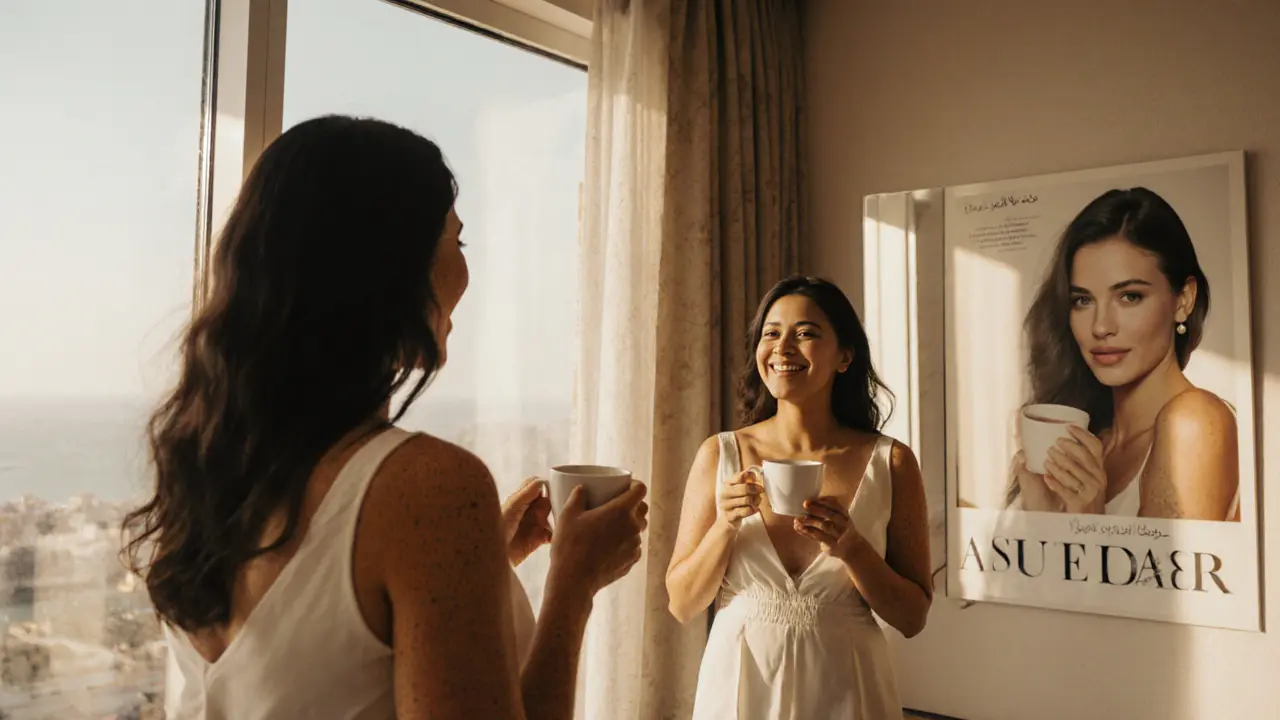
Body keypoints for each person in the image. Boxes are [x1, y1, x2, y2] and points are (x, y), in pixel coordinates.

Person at [122, 115, 649, 720]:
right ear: (391, 272)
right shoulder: (429, 485)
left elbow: (315, 660)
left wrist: (478, 566)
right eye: (457, 242)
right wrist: (572, 586)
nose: (465, 273)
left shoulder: (211, 468)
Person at [666, 276, 932, 719]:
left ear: (844, 355)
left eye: (805, 333)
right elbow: (681, 603)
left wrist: (851, 549)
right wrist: (725, 524)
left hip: (849, 690)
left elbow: (912, 618)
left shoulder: (892, 462)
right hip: (738, 686)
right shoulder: (721, 453)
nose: (783, 347)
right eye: (771, 333)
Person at [1008, 187, 1240, 521]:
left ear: (1184, 299)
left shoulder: (1193, 422)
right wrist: (1045, 516)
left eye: (1129, 297)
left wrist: (1087, 519)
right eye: (1082, 300)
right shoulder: (1090, 443)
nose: (1101, 327)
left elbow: (1168, 574)